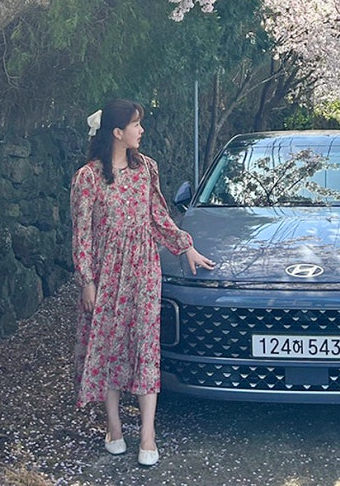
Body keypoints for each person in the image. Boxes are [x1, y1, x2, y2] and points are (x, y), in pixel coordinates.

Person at [70, 99, 215, 466]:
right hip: (106, 272)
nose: (142, 130)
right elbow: (82, 233)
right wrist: (87, 281)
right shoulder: (88, 177)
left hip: (143, 270)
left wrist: (186, 247)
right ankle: (114, 427)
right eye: (136, 124)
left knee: (145, 346)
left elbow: (158, 216)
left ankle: (148, 434)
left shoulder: (146, 168)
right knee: (108, 346)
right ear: (117, 132)